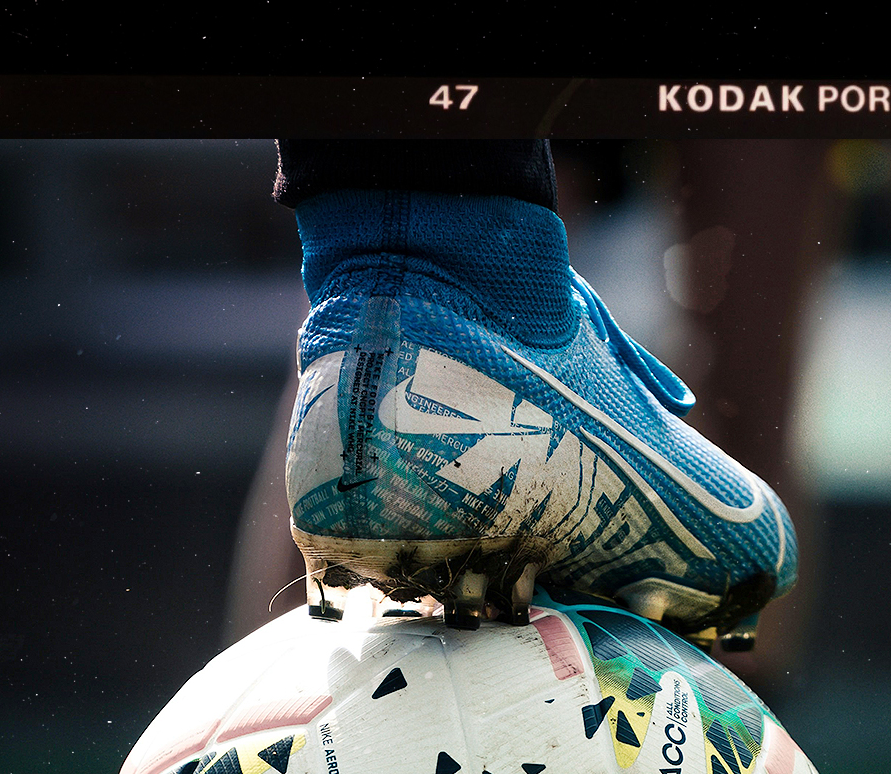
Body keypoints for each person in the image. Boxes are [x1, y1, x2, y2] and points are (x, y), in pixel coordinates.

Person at [272, 139, 796, 646]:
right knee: (751, 128)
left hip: (339, 360)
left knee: (363, 326)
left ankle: (371, 391)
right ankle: (503, 327)